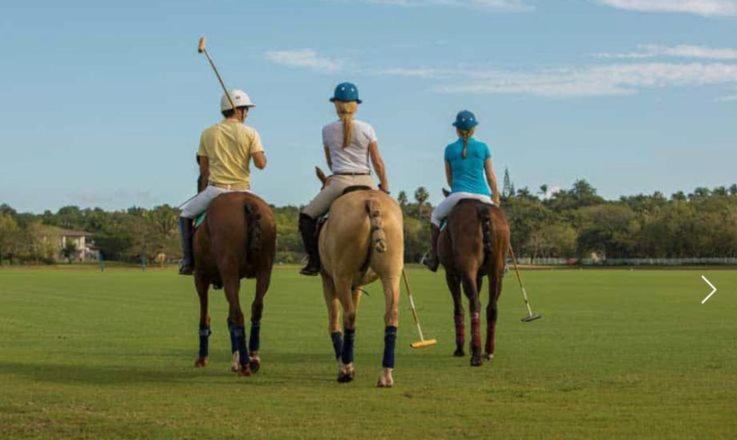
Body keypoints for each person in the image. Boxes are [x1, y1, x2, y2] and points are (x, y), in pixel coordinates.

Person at [298, 82, 390, 276]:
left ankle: (314, 262)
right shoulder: (367, 128)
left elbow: (330, 163)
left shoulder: (327, 130)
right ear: (355, 104)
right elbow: (378, 162)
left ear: (336, 105)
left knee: (306, 217)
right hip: (367, 182)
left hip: (340, 182)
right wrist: (385, 187)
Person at [178, 89, 267, 275]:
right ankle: (262, 261)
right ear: (239, 110)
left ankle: (188, 261)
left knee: (185, 215)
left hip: (216, 190)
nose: (247, 114)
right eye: (246, 110)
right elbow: (261, 164)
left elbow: (204, 170)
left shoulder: (207, 133)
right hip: (244, 190)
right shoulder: (251, 133)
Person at [423, 110, 501, 272]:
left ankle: (433, 258)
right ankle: (502, 260)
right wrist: (496, 197)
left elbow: (449, 179)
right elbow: (491, 176)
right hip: (483, 196)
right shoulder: (483, 148)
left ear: (457, 129)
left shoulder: (449, 150)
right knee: (499, 221)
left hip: (458, 194)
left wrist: (457, 189)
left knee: (436, 216)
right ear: (474, 128)